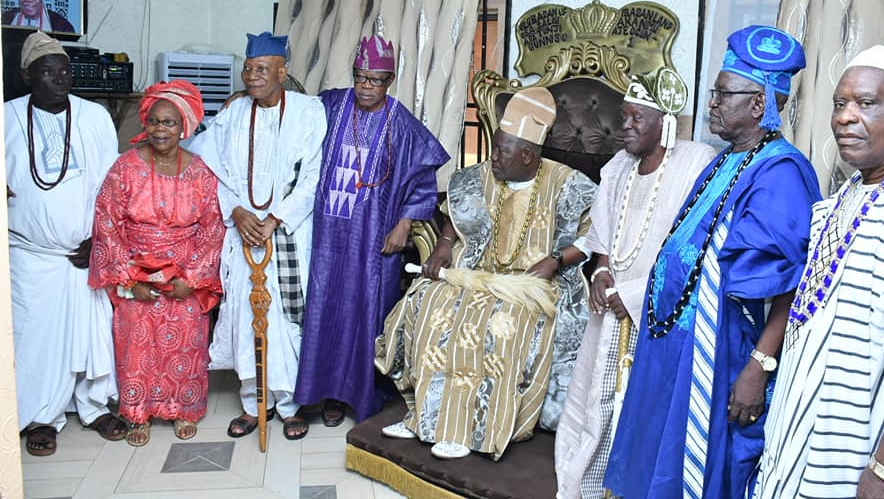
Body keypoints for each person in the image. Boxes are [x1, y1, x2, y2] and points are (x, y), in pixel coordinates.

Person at [604, 26, 822, 499]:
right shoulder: (727, 160)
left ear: (759, 104)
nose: (712, 104)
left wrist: (759, 367)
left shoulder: (780, 172)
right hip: (674, 347)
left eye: (723, 94)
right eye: (714, 93)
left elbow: (794, 285)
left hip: (718, 354)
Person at [755, 46, 884, 499]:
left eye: (866, 104)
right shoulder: (845, 196)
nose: (845, 117)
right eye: (839, 103)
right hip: (803, 435)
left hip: (877, 458)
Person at [376, 86, 597, 460]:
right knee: (432, 306)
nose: (492, 159)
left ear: (527, 155)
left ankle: (470, 429)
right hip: (476, 274)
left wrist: (556, 260)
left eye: (501, 153)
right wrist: (444, 246)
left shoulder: (568, 183)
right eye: (494, 149)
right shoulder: (481, 176)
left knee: (499, 326)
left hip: (531, 286)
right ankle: (423, 418)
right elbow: (455, 217)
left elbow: (595, 234)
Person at [555, 69, 715, 499]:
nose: (625, 127)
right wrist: (602, 272)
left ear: (663, 122)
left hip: (660, 309)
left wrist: (636, 295)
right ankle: (591, 486)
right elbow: (602, 236)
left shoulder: (696, 163)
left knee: (642, 408)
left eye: (635, 119)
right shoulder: (616, 168)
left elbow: (694, 250)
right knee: (597, 403)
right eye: (622, 117)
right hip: (610, 305)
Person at [294, 35, 449, 427]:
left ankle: (350, 395)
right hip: (326, 233)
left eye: (375, 80)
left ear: (390, 80)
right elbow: (285, 110)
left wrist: (405, 222)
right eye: (360, 77)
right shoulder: (330, 106)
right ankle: (317, 392)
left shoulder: (401, 123)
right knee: (322, 307)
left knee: (365, 311)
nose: (366, 86)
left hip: (374, 235)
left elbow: (423, 177)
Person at [187, 31, 327, 441]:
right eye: (248, 69)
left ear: (282, 71)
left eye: (262, 69)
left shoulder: (308, 111)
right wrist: (236, 210)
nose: (252, 76)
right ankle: (253, 403)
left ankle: (289, 404)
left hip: (287, 232)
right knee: (245, 318)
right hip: (242, 230)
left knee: (285, 320)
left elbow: (315, 174)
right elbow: (211, 168)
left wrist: (276, 218)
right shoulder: (232, 113)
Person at [5, 31, 125, 456]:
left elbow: (112, 185)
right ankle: (43, 416)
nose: (59, 79)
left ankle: (93, 407)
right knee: (34, 338)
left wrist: (101, 240)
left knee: (91, 334)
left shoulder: (93, 116)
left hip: (85, 252)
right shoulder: (7, 117)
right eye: (47, 72)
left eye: (65, 71)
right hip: (30, 255)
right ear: (26, 76)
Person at [89, 81, 226, 446]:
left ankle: (182, 408)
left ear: (184, 128)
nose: (160, 130)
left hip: (184, 274)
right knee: (137, 345)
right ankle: (139, 413)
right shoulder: (125, 168)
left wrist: (194, 278)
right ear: (145, 125)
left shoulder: (200, 172)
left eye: (168, 123)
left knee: (186, 342)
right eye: (153, 122)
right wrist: (130, 280)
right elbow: (106, 224)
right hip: (136, 271)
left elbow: (213, 229)